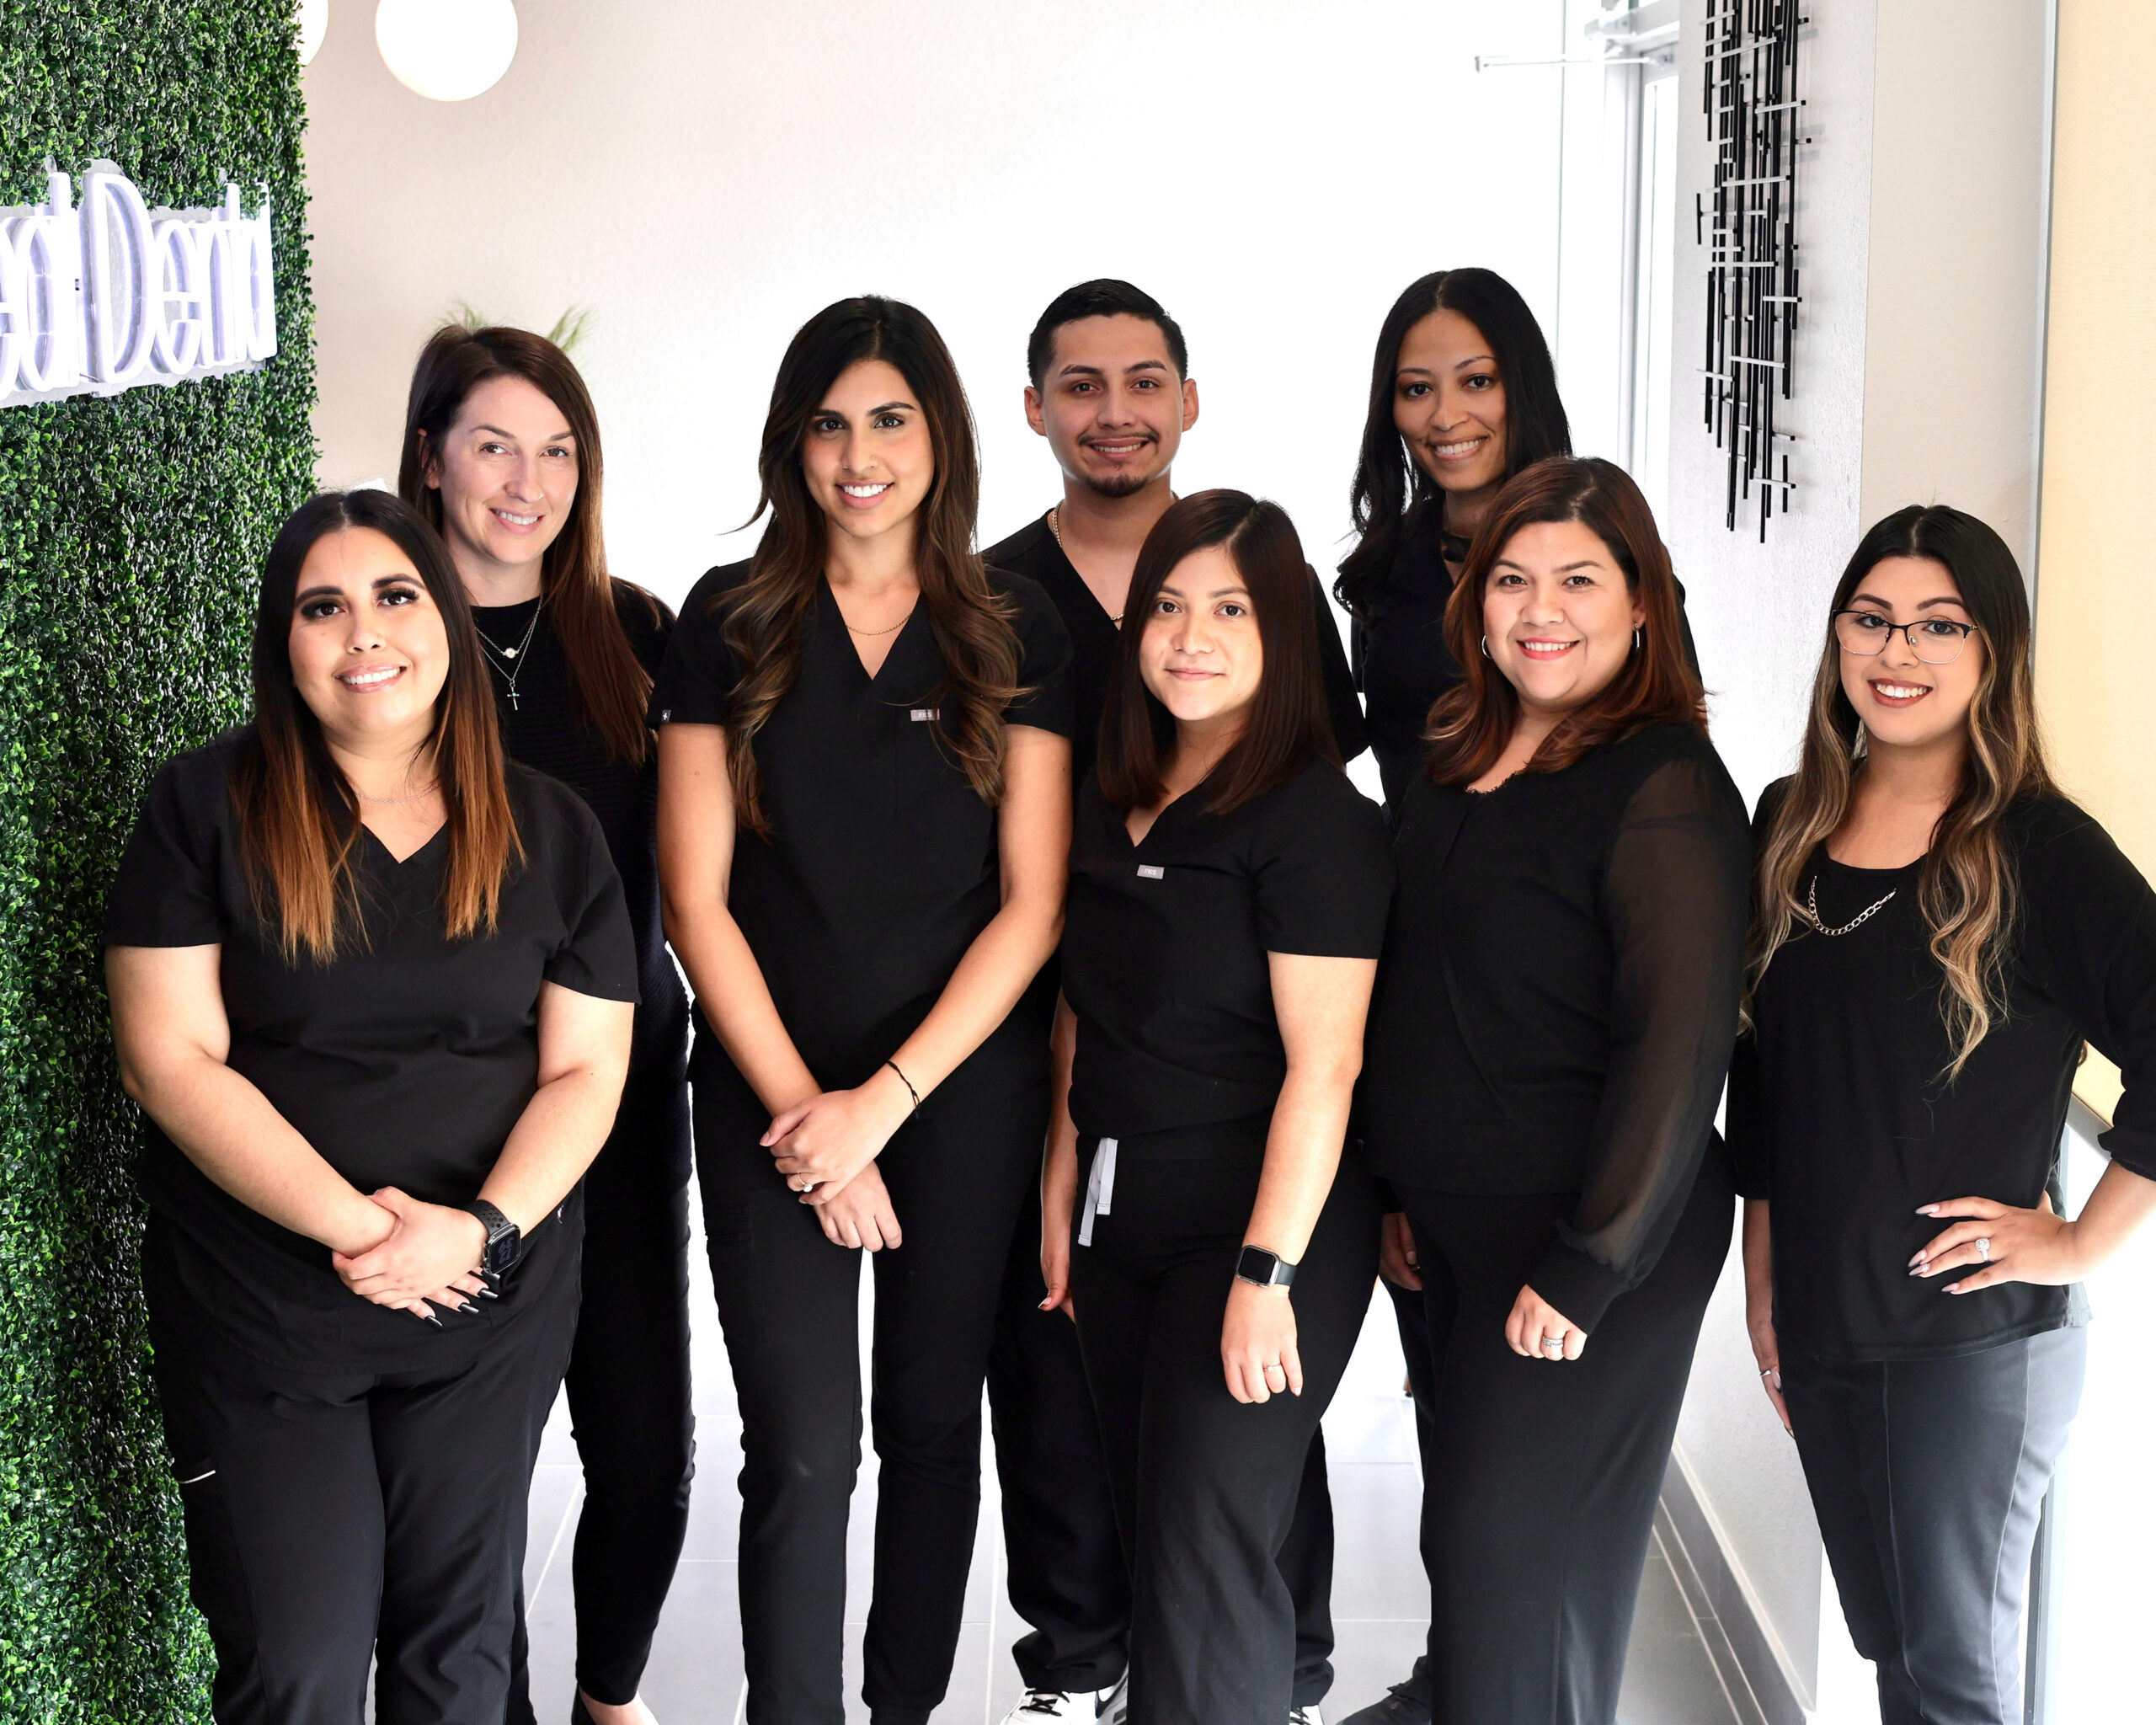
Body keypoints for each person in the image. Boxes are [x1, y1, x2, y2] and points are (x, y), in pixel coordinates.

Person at [104, 489, 638, 1724]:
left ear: (444, 618)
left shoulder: (550, 831)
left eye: (396, 596)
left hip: (484, 1302)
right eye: (323, 607)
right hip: (266, 1309)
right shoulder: (200, 809)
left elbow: (586, 1073)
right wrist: (363, 1232)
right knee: (297, 1664)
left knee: (457, 1667)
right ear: (280, 641)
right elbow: (168, 1059)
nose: (365, 633)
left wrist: (479, 1232)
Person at [652, 296, 1074, 1725]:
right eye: (828, 422)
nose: (858, 453)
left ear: (943, 436)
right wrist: (804, 1119)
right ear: (793, 443)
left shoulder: (1017, 629)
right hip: (770, 1091)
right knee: (807, 1445)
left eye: (889, 418)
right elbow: (695, 901)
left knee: (930, 1428)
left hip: (957, 1093)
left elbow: (1034, 903)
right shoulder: (727, 620)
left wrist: (880, 1107)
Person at [1330, 271, 1692, 1725]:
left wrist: (1592, 1260)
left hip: (1571, 1204)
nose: (1443, 413)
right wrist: (1400, 1167)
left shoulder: (1656, 786)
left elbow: (1672, 1044)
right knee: (1475, 1539)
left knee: (1516, 1555)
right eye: (1416, 387)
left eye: (1473, 379)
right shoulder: (1421, 669)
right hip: (1454, 1167)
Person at [1730, 505, 2156, 1725]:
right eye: (1870, 619)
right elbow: (1763, 1083)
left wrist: (2078, 1242)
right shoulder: (1788, 827)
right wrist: (1765, 1273)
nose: (1896, 649)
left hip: (1968, 1348)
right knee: (1898, 1661)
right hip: (1822, 1322)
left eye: (1937, 624)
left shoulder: (2043, 853)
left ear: (1992, 654)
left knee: (1956, 1681)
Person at [1042, 489, 1392, 1725]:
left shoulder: (1317, 827)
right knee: (1176, 1529)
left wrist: (1268, 1273)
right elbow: (1085, 1009)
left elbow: (1327, 1065)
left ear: (1285, 633)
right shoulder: (1107, 794)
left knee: (1202, 1548)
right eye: (1170, 607)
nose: (1193, 636)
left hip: (1259, 1219)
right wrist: (1057, 1195)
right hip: (1118, 1211)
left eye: (1231, 610)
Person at [397, 323, 693, 1725]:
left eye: (559, 448)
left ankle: (610, 1699)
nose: (529, 480)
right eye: (495, 444)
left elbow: (696, 872)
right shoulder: (385, 635)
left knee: (644, 1446)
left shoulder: (634, 634)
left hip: (622, 1090)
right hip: (452, 1112)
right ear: (431, 457)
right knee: (474, 1460)